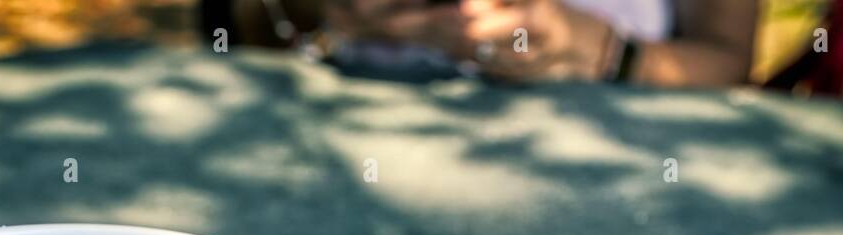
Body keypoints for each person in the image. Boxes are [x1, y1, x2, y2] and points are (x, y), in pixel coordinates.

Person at [205, 0, 759, 87]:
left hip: (607, 165)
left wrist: (613, 54)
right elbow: (243, 28)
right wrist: (321, 12)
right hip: (349, 119)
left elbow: (728, 63)